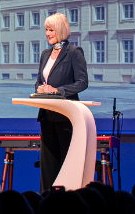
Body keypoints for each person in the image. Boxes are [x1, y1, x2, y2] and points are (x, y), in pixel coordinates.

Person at [33, 13, 87, 192]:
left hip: (66, 117)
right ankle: (46, 201)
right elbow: (39, 81)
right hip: (47, 115)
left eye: (51, 30)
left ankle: (69, 201)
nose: (47, 34)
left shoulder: (74, 52)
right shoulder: (45, 54)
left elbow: (82, 82)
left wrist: (57, 91)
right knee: (48, 168)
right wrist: (41, 88)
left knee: (67, 165)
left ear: (61, 30)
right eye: (46, 30)